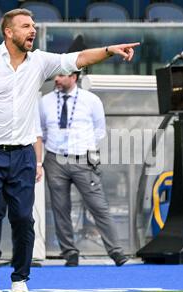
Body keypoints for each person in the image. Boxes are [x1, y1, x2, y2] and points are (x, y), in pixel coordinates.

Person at [0, 8, 139, 292]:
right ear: (8, 32)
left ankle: (19, 280)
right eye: (26, 26)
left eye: (34, 25)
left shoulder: (40, 61)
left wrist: (110, 50)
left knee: (24, 218)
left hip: (22, 154)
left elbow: (79, 59)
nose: (32, 30)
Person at [40, 71, 129, 267]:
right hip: (55, 159)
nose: (56, 79)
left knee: (98, 205)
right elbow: (42, 131)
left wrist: (83, 148)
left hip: (83, 159)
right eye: (55, 75)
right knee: (60, 207)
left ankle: (116, 251)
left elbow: (99, 130)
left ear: (74, 77)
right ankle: (69, 253)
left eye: (61, 75)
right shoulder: (45, 101)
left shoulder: (91, 100)